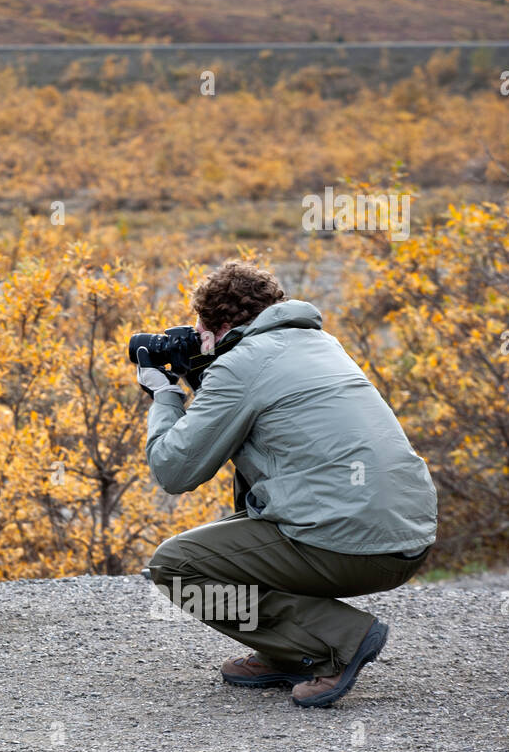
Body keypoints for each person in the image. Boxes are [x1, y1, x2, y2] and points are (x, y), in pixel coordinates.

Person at [138, 260, 437, 708]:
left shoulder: (239, 367)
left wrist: (165, 394)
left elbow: (175, 470)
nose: (194, 339)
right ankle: (287, 650)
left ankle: (337, 641)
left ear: (219, 327)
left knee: (177, 567)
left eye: (199, 331)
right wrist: (208, 373)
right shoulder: (320, 343)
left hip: (353, 546)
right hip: (407, 536)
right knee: (257, 514)